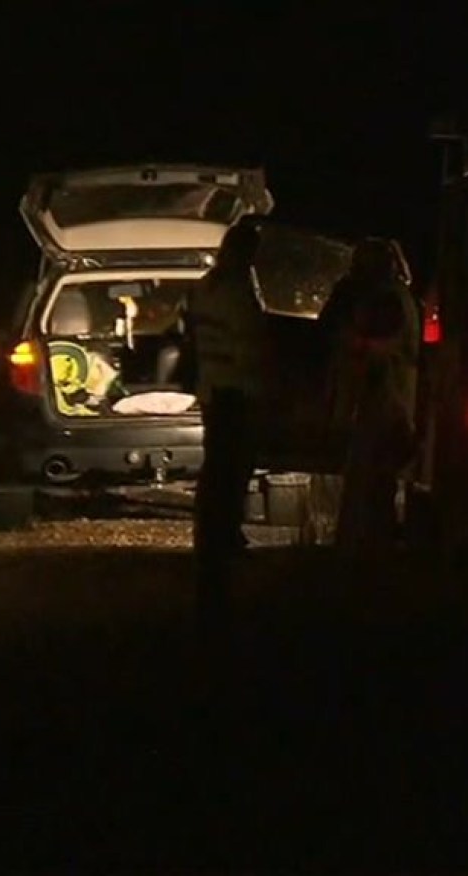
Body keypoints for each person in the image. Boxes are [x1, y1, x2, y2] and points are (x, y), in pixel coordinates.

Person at [320, 237, 420, 564]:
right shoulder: (395, 295)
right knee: (376, 478)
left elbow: (379, 347)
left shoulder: (386, 298)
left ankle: (363, 547)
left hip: (381, 399)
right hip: (389, 399)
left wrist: (355, 346)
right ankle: (374, 544)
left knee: (368, 477)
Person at [188, 215, 268, 628]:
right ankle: (223, 534)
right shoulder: (237, 291)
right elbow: (252, 341)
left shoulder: (205, 287)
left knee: (215, 464)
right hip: (237, 389)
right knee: (232, 467)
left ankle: (213, 532)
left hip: (212, 386)